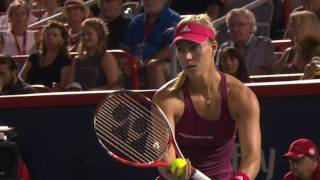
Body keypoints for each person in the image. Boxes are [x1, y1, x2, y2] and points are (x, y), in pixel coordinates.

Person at [153, 14, 261, 180]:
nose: (187, 57)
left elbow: (252, 157)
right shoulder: (165, 98)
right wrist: (175, 173)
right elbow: (166, 159)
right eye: (181, 50)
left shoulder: (241, 96)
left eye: (194, 47)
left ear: (214, 47)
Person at [121, 0, 180, 89]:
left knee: (154, 65)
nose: (149, 1)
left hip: (167, 65)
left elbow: (171, 47)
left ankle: (158, 101)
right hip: (136, 63)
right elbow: (125, 46)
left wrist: (145, 63)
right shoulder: (136, 21)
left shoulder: (173, 19)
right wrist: (127, 62)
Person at [216, 8, 276, 75]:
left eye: (240, 25)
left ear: (251, 27)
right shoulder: (224, 47)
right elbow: (218, 73)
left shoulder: (262, 44)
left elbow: (260, 72)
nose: (235, 29)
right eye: (232, 26)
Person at [70, 17, 121, 90]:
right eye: (83, 34)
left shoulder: (106, 57)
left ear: (99, 35)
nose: (85, 37)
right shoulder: (77, 59)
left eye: (89, 34)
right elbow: (69, 85)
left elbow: (115, 86)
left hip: (98, 99)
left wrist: (95, 91)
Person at [19, 21, 73, 90]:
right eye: (47, 35)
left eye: (55, 35)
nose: (50, 38)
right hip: (28, 95)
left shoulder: (65, 61)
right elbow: (20, 80)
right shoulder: (33, 58)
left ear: (62, 40)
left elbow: (62, 88)